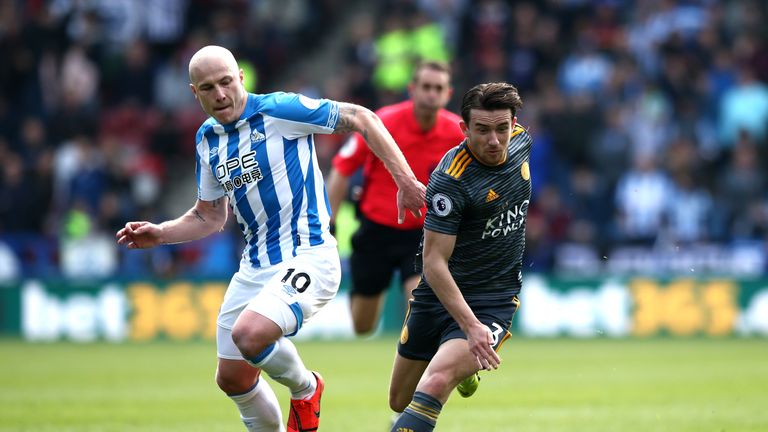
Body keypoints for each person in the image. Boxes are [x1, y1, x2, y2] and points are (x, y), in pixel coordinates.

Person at [116, 45, 425, 432]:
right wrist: (161, 234)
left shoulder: (279, 110)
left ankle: (306, 387)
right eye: (208, 88)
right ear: (195, 93)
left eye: (227, 82)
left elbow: (362, 118)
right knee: (232, 378)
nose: (221, 95)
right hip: (255, 267)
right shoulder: (207, 140)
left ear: (241, 78)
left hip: (309, 255)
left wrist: (406, 179)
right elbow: (209, 215)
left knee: (249, 335)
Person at [388, 82, 531, 432]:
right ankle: (464, 368)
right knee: (399, 400)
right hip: (440, 294)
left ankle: (459, 363)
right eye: (482, 130)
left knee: (436, 382)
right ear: (464, 129)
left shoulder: (522, 141)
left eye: (502, 129)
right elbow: (435, 264)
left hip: (493, 298)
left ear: (514, 125)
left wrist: (475, 328)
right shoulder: (451, 182)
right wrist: (468, 328)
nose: (495, 141)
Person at [326, 61, 464, 335]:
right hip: (375, 231)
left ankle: (415, 356)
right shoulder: (381, 123)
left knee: (420, 304)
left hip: (423, 234)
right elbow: (342, 167)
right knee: (362, 325)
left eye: (438, 88)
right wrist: (328, 223)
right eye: (426, 87)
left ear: (448, 94)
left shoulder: (456, 133)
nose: (431, 94)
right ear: (412, 89)